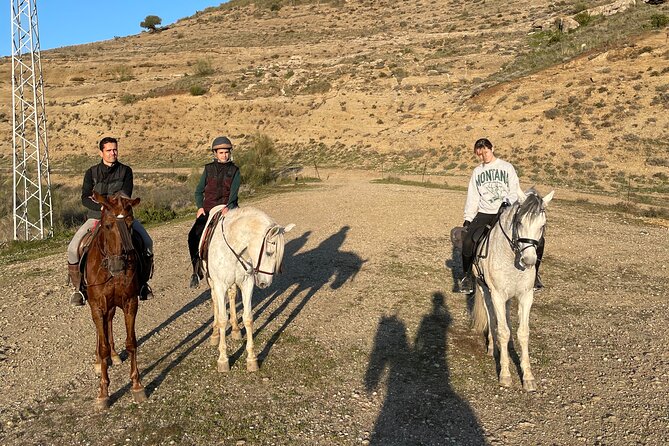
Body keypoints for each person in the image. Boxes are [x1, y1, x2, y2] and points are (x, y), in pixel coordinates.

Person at [66, 137, 154, 306]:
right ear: (101, 152)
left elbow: (125, 195)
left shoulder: (126, 171)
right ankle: (79, 290)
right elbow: (85, 197)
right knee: (72, 249)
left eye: (115, 150)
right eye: (109, 150)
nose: (113, 153)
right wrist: (100, 207)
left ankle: (142, 285)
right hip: (96, 217)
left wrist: (111, 207)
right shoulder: (91, 173)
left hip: (121, 218)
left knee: (147, 242)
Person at [458, 138, 545, 293]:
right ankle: (467, 277)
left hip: (506, 211)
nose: (483, 156)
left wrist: (507, 203)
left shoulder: (507, 167)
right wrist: (468, 218)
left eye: (485, 152)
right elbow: (473, 196)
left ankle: (535, 275)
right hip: (485, 212)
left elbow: (514, 189)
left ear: (493, 149)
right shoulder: (477, 172)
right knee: (468, 241)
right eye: (479, 154)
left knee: (538, 239)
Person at [188, 136, 241, 288]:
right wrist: (200, 207)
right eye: (221, 152)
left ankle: (245, 269)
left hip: (227, 208)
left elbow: (234, 193)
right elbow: (198, 191)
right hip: (209, 209)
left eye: (226, 152)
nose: (224, 155)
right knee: (192, 235)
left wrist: (229, 207)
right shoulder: (208, 169)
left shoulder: (235, 170)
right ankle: (196, 270)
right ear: (215, 153)